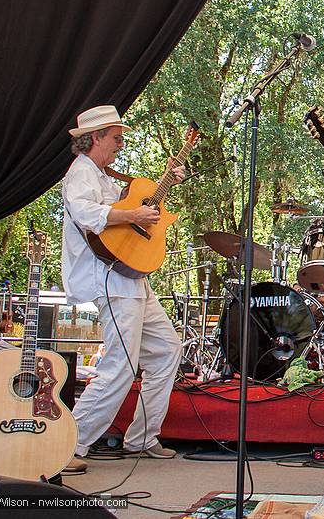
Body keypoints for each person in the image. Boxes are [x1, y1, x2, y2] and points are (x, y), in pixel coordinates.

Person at [60, 105, 184, 472]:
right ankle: (68, 445)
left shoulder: (103, 174)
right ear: (95, 137)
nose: (120, 145)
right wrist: (133, 216)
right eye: (116, 138)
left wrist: (164, 185)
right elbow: (88, 214)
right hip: (110, 280)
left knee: (166, 350)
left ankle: (142, 438)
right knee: (120, 366)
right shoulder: (80, 174)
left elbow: (131, 205)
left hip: (132, 279)